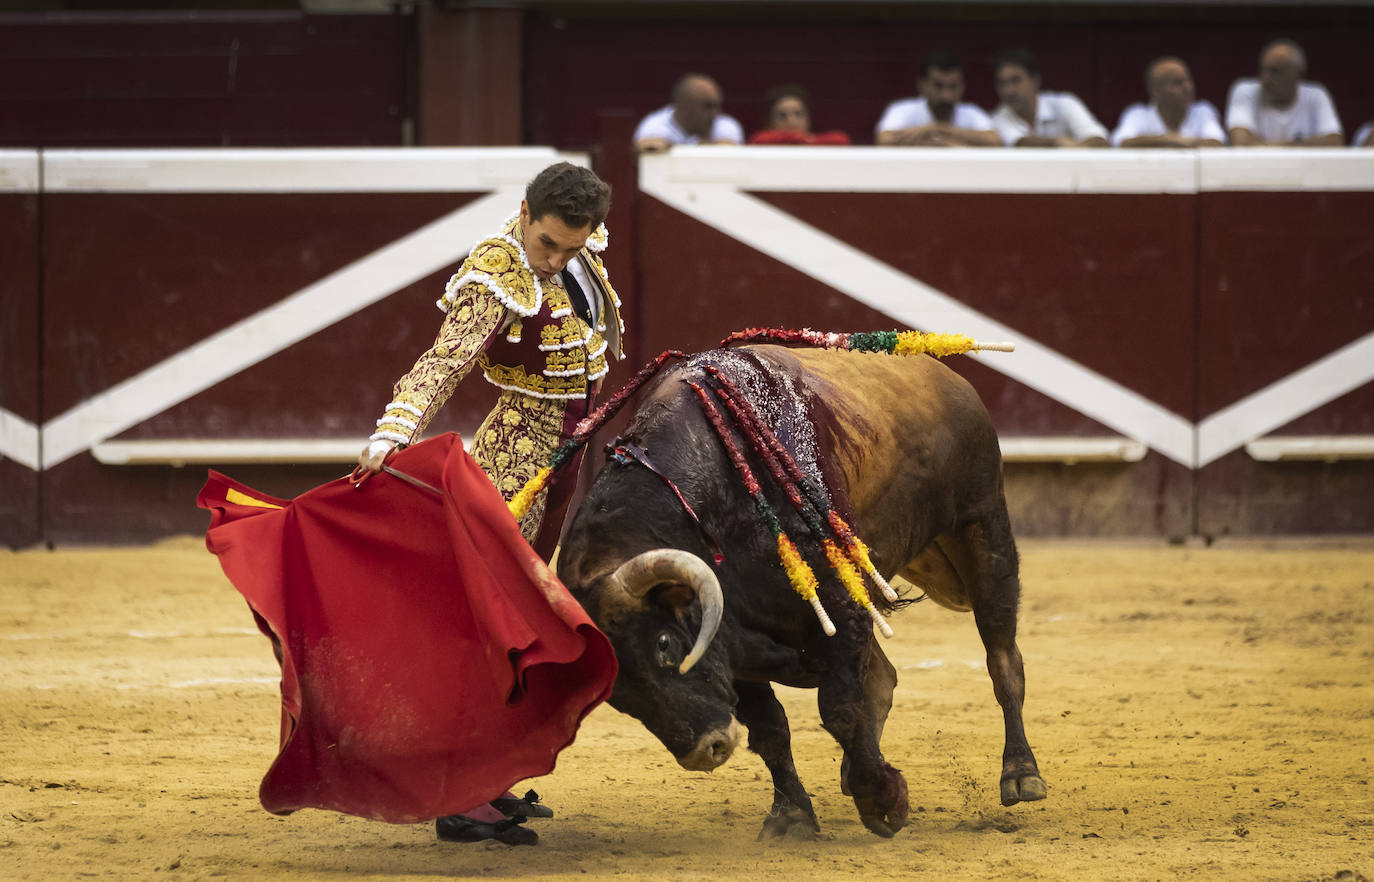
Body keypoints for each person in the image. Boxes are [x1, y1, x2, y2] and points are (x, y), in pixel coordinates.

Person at [357, 161, 623, 846]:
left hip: (564, 461)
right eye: (548, 246)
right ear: (525, 211)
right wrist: (393, 433)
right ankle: (459, 791)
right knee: (486, 624)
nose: (557, 260)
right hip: (517, 461)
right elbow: (442, 361)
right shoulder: (497, 272)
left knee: (521, 623)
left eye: (573, 246)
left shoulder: (578, 249)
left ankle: (488, 779)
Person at [1225, 39, 1343, 146]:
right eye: (1263, 70)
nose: (1266, 78)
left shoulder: (1316, 95)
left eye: (1275, 72)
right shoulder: (1245, 91)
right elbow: (1241, 144)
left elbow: (1335, 142)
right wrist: (1301, 144)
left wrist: (1266, 146)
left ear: (1298, 75)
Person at [875, 50, 1001, 147]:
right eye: (938, 86)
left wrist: (938, 128)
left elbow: (995, 142)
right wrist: (953, 143)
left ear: (962, 86)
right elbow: (884, 140)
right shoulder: (903, 109)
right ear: (922, 85)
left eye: (953, 87)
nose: (946, 95)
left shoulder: (971, 112)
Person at [989, 48, 1108, 147]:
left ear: (1035, 80)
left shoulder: (1065, 104)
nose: (1009, 90)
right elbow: (1019, 143)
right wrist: (1058, 144)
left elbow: (1100, 140)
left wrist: (1076, 151)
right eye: (1002, 83)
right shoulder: (999, 117)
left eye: (1016, 81)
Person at [1112, 56, 1226, 148]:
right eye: (1177, 83)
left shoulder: (1203, 111)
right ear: (1156, 91)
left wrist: (1156, 142)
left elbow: (1216, 143)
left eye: (1188, 81)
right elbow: (1122, 142)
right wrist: (1174, 140)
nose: (1187, 88)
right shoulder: (1137, 114)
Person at [633, 73, 745, 153]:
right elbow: (648, 147)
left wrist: (672, 147)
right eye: (707, 106)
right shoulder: (656, 123)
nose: (715, 113)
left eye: (717, 105)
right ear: (683, 107)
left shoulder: (725, 123)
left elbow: (727, 151)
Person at [747, 85, 852, 145]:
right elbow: (757, 139)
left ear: (808, 118)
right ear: (769, 122)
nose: (792, 121)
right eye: (783, 116)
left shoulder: (815, 143)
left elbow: (842, 139)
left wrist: (807, 140)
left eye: (798, 114)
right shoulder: (763, 144)